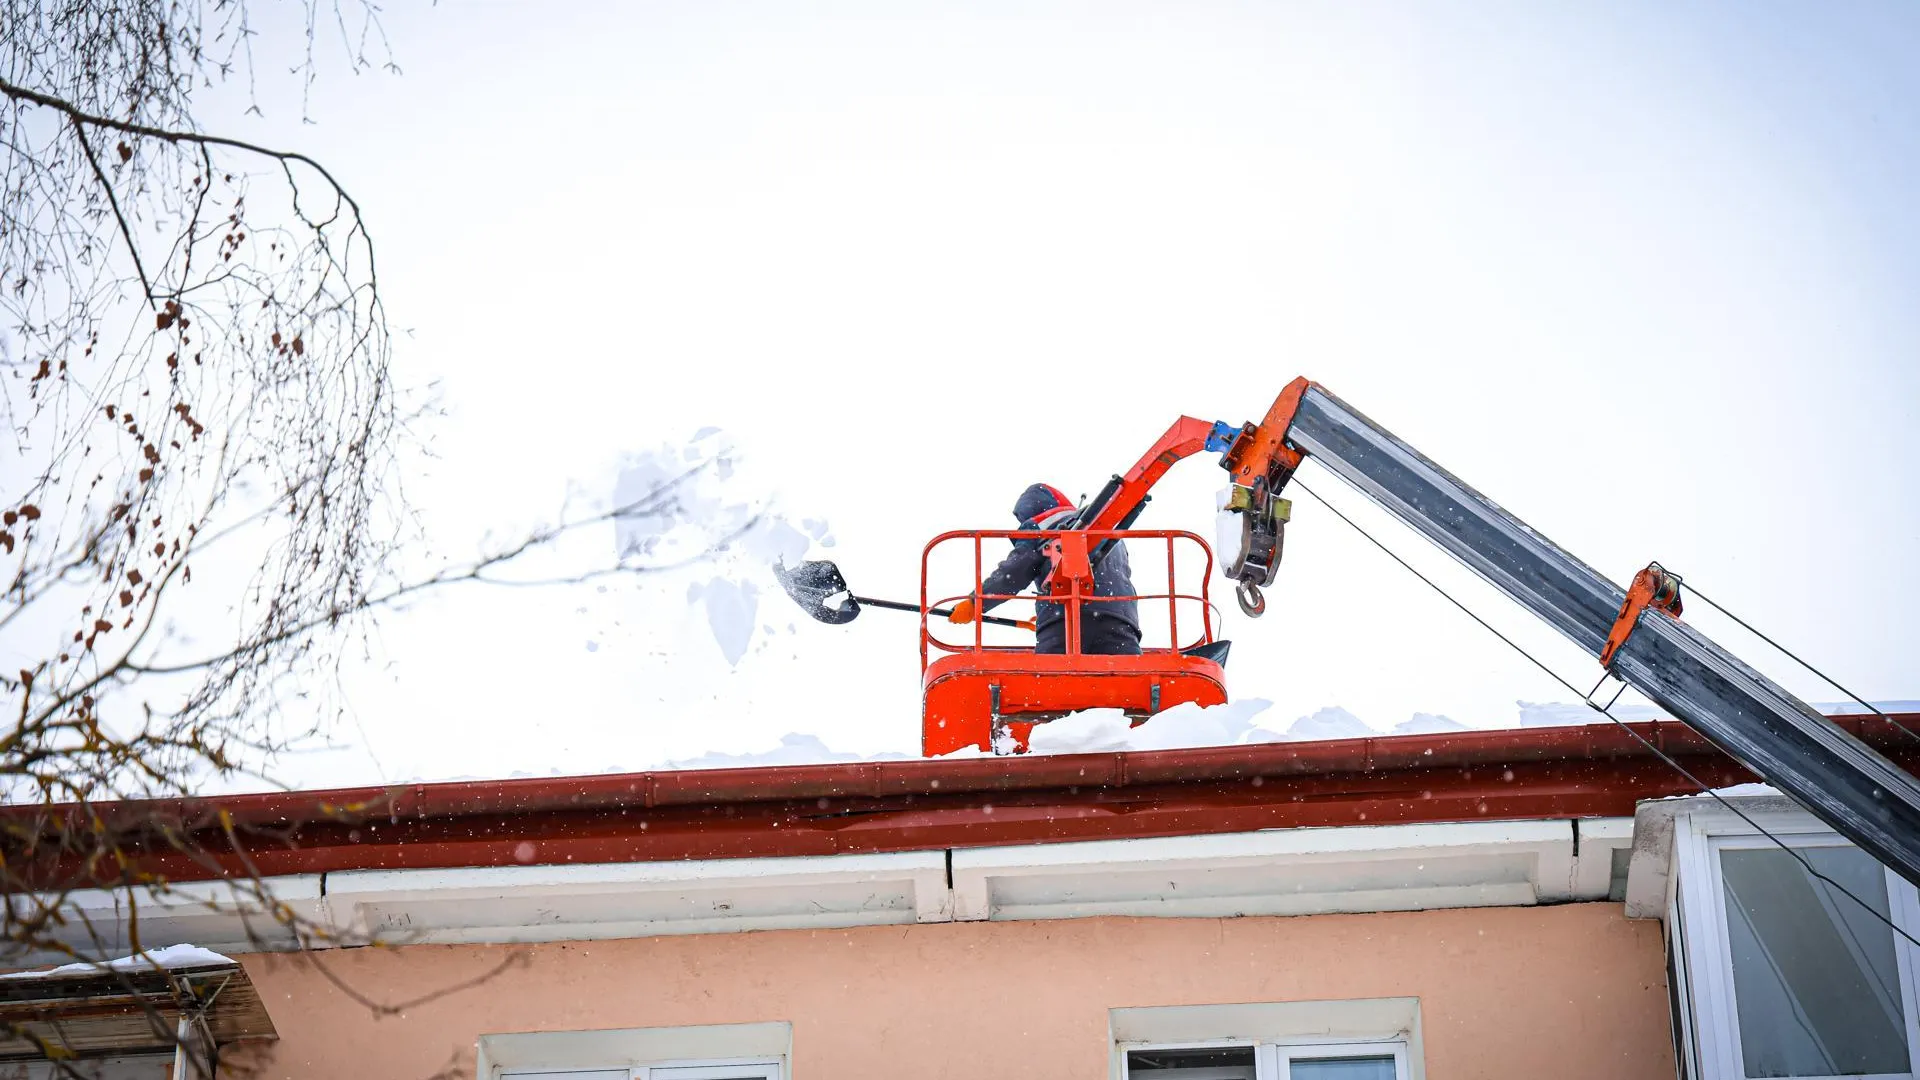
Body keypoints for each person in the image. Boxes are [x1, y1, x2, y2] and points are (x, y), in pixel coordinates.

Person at [947, 483, 1142, 656]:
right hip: (1120, 622)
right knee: (1131, 687)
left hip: (1063, 626)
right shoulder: (1103, 527)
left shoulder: (1042, 525)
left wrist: (976, 603)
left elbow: (1014, 572)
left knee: (1054, 687)